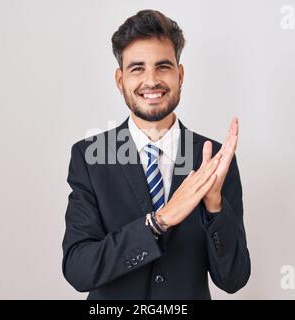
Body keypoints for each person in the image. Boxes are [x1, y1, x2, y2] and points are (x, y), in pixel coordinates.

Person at [62, 9, 250, 300]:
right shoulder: (90, 158)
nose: (151, 81)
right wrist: (159, 220)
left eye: (163, 66)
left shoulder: (213, 160)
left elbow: (233, 279)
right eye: (137, 68)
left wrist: (214, 207)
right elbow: (79, 269)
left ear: (180, 74)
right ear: (119, 79)